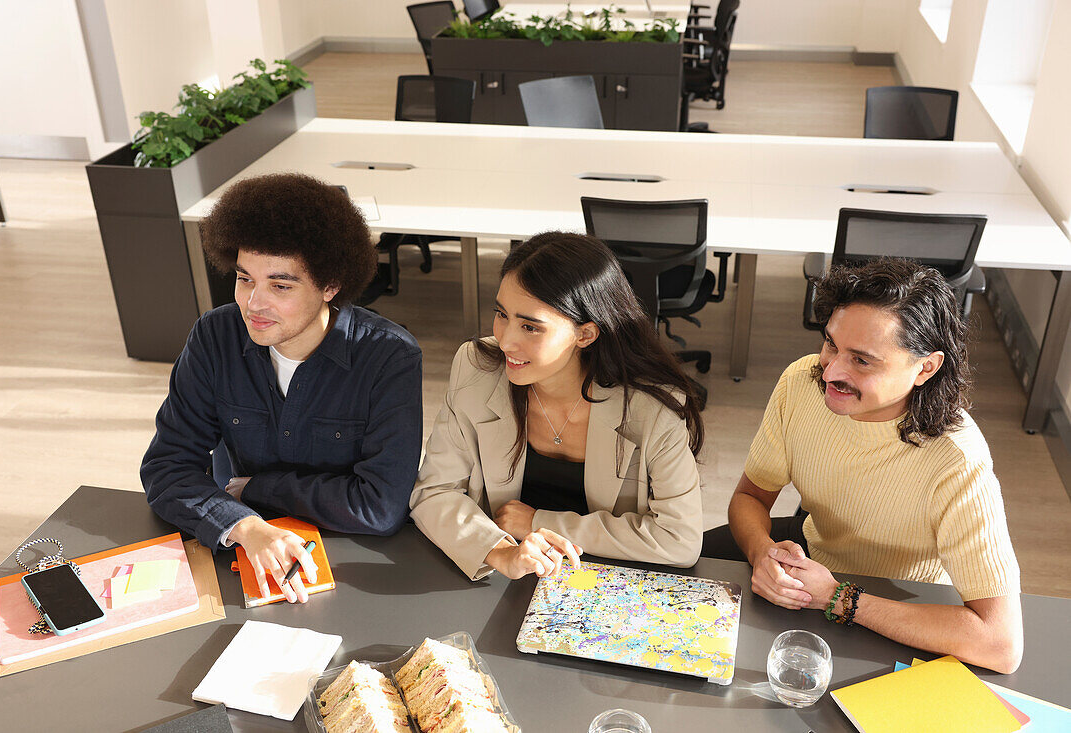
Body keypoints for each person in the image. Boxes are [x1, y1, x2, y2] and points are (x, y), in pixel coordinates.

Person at [703, 257, 1022, 673]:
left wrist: (838, 598)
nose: (831, 370)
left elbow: (1001, 644)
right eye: (831, 343)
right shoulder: (801, 383)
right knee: (684, 563)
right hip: (816, 558)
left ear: (925, 368)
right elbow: (750, 496)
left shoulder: (957, 461)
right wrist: (761, 552)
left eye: (862, 360)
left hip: (908, 600)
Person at [141, 173, 422, 604]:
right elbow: (166, 468)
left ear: (331, 286)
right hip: (240, 541)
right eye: (245, 279)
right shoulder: (215, 336)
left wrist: (256, 487)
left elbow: (380, 508)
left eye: (280, 285)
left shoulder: (388, 356)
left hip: (358, 562)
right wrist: (246, 526)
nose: (254, 303)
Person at [410, 231, 706, 581]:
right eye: (501, 314)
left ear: (585, 334)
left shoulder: (652, 407)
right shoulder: (477, 368)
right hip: (501, 579)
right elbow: (434, 492)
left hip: (607, 587)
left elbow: (680, 540)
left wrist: (539, 521)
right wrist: (502, 552)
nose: (505, 341)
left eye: (530, 327)